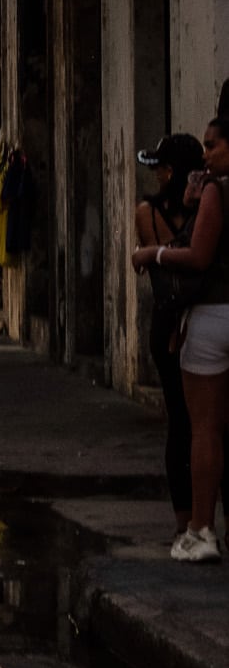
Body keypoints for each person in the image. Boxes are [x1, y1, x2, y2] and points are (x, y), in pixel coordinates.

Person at [133, 114, 229, 562]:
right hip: (198, 318)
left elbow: (195, 256)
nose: (208, 155)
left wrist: (154, 251)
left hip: (202, 317)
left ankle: (199, 528)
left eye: (215, 146)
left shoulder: (215, 193)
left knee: (198, 428)